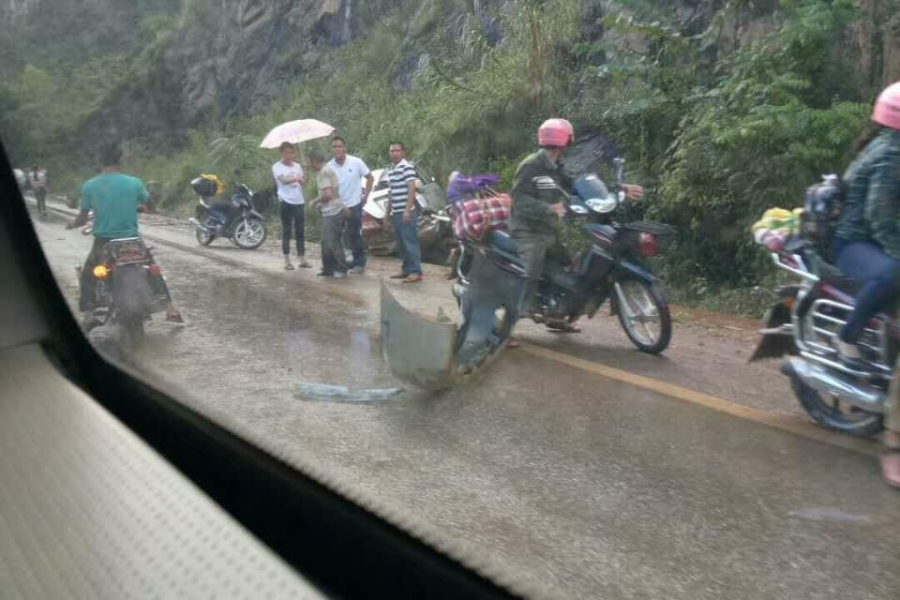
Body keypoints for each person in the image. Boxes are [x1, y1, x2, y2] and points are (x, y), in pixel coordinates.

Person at [509, 119, 643, 336]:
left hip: (547, 232)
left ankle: (558, 315)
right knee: (531, 269)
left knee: (570, 273)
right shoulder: (531, 164)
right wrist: (548, 208)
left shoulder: (557, 165)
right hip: (527, 231)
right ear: (563, 139)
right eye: (569, 137)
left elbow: (575, 187)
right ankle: (515, 317)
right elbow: (518, 199)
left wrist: (617, 189)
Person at [829, 81, 900, 488]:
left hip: (872, 238)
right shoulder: (891, 154)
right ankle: (849, 335)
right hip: (852, 242)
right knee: (895, 272)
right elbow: (877, 217)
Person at [66, 145, 181, 326]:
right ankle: (171, 309)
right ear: (120, 160)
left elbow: (81, 218)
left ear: (99, 162)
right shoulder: (134, 183)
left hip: (103, 242)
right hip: (131, 241)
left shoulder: (89, 186)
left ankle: (89, 315)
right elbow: (150, 206)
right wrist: (149, 208)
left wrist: (72, 224)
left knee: (89, 275)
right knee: (152, 269)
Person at [328, 136, 374, 273]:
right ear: (332, 149)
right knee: (336, 236)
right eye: (334, 147)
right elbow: (329, 189)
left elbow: (370, 177)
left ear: (345, 148)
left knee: (354, 235)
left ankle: (359, 262)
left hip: (354, 204)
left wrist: (366, 196)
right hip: (337, 206)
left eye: (339, 146)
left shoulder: (356, 162)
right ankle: (340, 263)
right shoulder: (329, 167)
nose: (337, 149)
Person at [308, 149, 348, 279]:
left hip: (332, 212)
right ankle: (328, 268)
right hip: (333, 209)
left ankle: (340, 268)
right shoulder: (328, 170)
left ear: (314, 161)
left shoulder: (323, 173)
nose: (310, 166)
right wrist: (322, 203)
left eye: (311, 163)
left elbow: (327, 194)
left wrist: (314, 201)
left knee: (332, 241)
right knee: (327, 241)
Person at [386, 141, 423, 283]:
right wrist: (387, 213)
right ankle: (406, 269)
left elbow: (412, 189)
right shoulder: (391, 170)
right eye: (391, 151)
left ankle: (415, 272)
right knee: (400, 243)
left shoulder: (406, 168)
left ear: (403, 152)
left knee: (410, 242)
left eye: (397, 150)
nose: (394, 153)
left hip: (406, 211)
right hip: (396, 212)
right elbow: (391, 193)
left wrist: (408, 210)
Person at [272, 142, 311, 270]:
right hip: (285, 200)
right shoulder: (277, 167)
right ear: (282, 153)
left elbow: (304, 183)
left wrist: (306, 170)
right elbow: (283, 180)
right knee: (287, 230)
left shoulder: (298, 166)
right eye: (287, 153)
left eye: (292, 152)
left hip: (298, 200)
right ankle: (287, 260)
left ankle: (302, 259)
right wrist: (296, 179)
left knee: (300, 230)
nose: (290, 155)